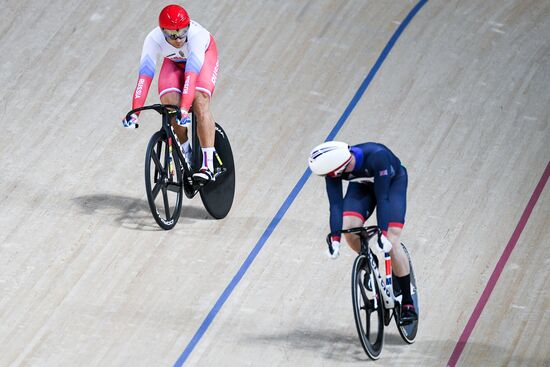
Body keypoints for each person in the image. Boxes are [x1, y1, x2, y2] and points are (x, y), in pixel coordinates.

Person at [308, 140, 417, 324]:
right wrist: (335, 239)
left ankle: (407, 302)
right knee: (349, 228)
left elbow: (383, 199)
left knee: (392, 240)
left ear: (336, 170)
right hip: (363, 185)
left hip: (391, 185)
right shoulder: (334, 167)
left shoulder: (377, 156)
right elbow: (335, 206)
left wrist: (383, 234)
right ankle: (369, 260)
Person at [122, 4, 220, 184]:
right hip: (174, 63)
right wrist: (135, 113)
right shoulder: (153, 40)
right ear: (162, 31)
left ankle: (208, 166)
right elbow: (144, 78)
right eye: (172, 35)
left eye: (182, 33)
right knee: (169, 104)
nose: (178, 39)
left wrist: (185, 108)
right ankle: (187, 154)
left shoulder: (197, 37)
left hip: (203, 59)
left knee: (199, 101)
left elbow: (191, 75)